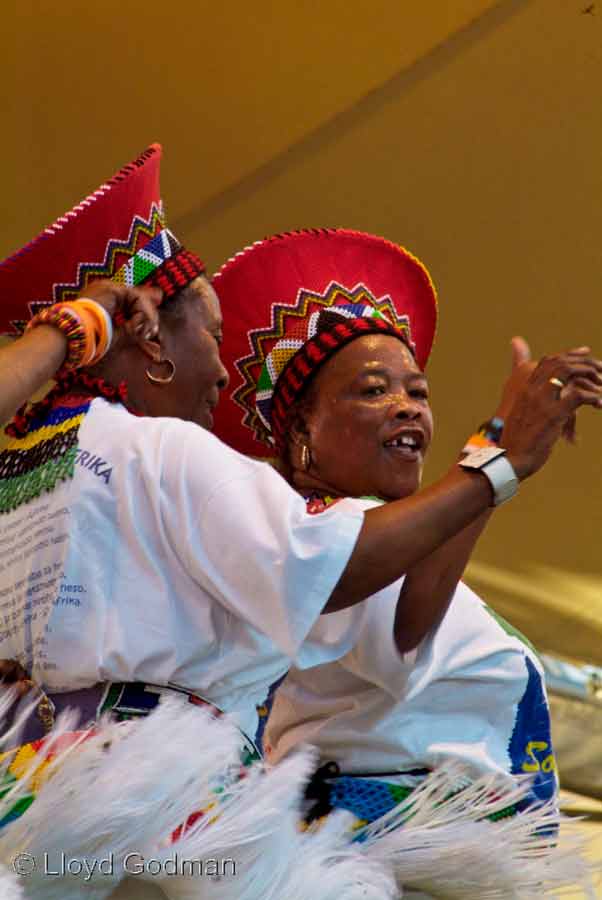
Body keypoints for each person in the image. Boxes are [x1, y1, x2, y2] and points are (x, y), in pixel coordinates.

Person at [1, 148, 581, 900]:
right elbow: (352, 583)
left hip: (43, 783)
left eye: (415, 390)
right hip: (158, 796)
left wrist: (67, 330)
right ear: (150, 344)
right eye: (210, 335)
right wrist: (498, 465)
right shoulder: (167, 454)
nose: (219, 369)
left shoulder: (37, 465)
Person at [211, 227, 600, 897]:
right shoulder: (301, 529)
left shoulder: (376, 536)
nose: (406, 406)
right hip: (370, 858)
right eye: (370, 391)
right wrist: (502, 460)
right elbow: (403, 627)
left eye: (417, 392)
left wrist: (498, 439)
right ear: (301, 430)